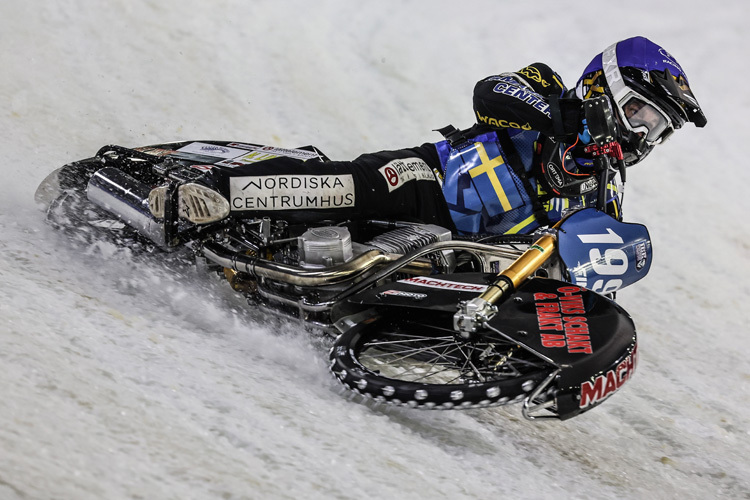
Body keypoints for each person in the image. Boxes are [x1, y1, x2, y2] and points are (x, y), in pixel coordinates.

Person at [218, 36, 706, 235]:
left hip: (466, 260)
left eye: (657, 127)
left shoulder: (608, 191)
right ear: (607, 86)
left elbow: (595, 262)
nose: (643, 134)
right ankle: (207, 194)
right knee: (347, 185)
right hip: (430, 181)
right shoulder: (547, 86)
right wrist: (554, 120)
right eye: (640, 113)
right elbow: (490, 93)